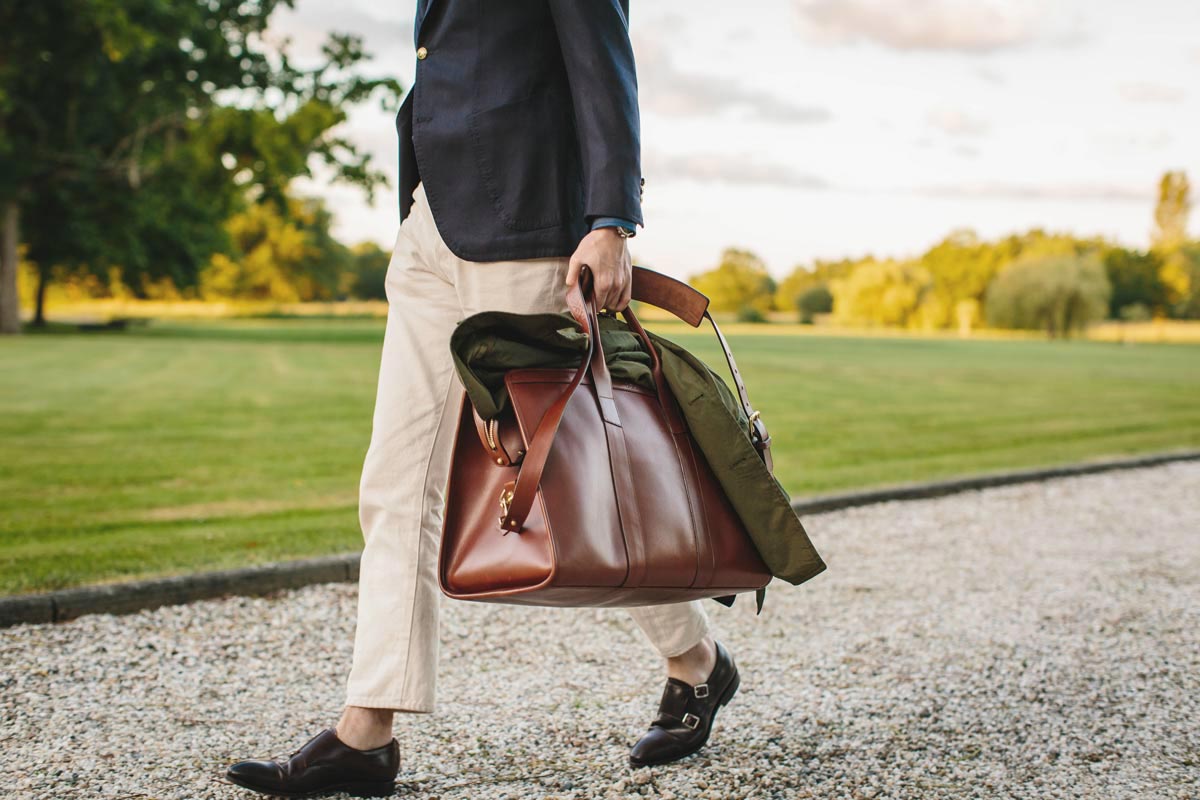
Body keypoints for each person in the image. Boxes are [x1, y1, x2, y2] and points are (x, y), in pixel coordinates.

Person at [225, 2, 739, 795]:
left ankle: (695, 660)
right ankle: (368, 730)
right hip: (431, 221)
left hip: (529, 224)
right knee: (397, 479)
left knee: (573, 483)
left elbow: (603, 58)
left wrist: (611, 220)